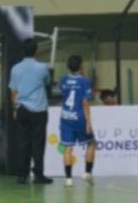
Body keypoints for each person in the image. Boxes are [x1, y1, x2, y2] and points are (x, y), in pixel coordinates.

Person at [9, 39, 52, 185]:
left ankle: (22, 175)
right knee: (38, 143)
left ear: (22, 51)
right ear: (36, 51)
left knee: (23, 143)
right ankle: (38, 175)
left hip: (22, 109)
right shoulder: (42, 67)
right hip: (39, 109)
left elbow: (13, 91)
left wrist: (15, 108)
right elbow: (47, 82)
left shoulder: (15, 68)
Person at [59, 54, 96, 187]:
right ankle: (87, 173)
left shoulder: (63, 79)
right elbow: (85, 102)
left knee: (68, 148)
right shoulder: (84, 81)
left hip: (65, 117)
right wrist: (88, 122)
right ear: (81, 66)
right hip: (79, 117)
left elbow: (63, 95)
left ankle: (68, 179)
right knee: (91, 143)